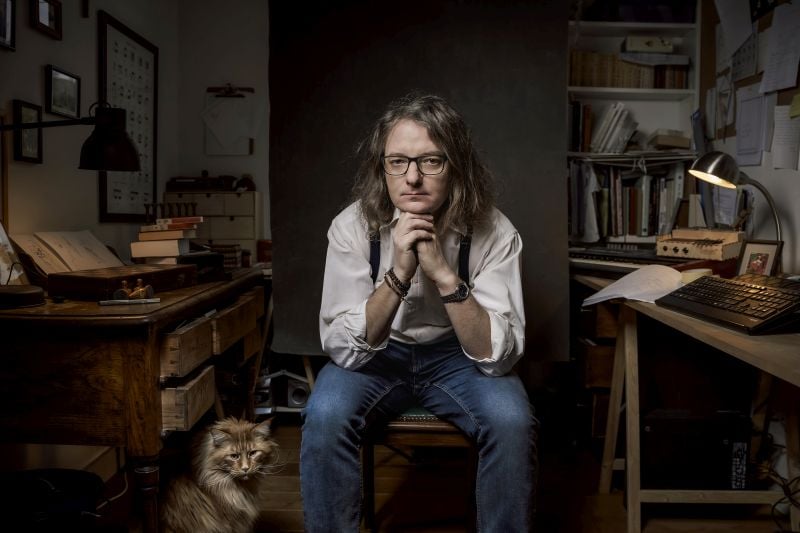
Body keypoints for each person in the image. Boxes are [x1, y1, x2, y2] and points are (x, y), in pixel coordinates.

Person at [300, 93, 538, 532]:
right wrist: (398, 274)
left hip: (457, 358)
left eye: (431, 161)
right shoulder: (352, 227)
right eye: (398, 162)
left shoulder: (495, 232)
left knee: (511, 421)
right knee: (326, 415)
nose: (412, 177)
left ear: (456, 167)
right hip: (378, 357)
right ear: (382, 168)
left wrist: (444, 275)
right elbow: (342, 349)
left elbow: (498, 357)